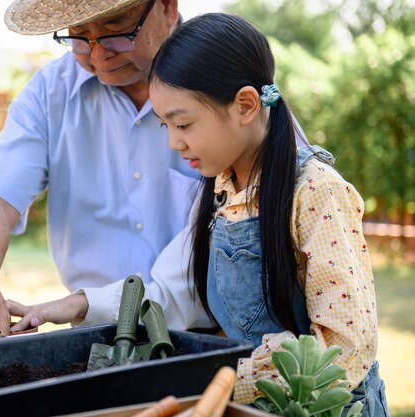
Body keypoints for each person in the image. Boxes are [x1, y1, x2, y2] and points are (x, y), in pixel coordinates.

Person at [147, 13, 389, 416]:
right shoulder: (222, 188)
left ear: (245, 105)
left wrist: (229, 385)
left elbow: (345, 347)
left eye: (184, 123)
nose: (175, 142)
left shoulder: (316, 193)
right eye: (165, 127)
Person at [0, 0, 213, 345]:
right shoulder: (50, 93)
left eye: (116, 31)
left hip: (210, 338)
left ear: (167, 8)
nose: (98, 55)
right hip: (95, 335)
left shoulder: (222, 80)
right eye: (79, 36)